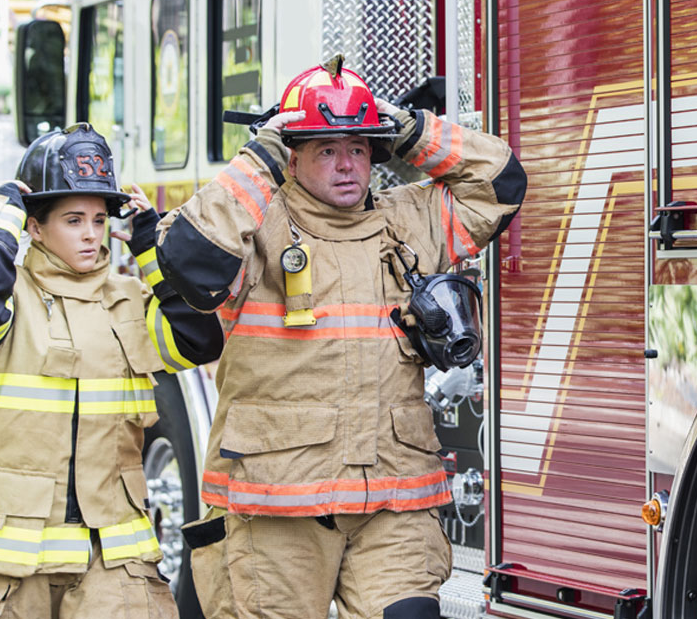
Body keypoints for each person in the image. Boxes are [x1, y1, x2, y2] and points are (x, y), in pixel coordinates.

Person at [162, 56, 527, 619]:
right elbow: (192, 259)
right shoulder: (254, 225)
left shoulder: (411, 220)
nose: (346, 165)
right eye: (325, 150)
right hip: (276, 511)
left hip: (393, 501)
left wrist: (411, 129)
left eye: (358, 148)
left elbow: (500, 183)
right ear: (292, 154)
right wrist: (259, 158)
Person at [0, 123, 223, 618]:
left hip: (110, 556)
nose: (90, 233)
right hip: (9, 557)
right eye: (72, 219)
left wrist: (153, 248)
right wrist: (0, 211)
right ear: (35, 226)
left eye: (97, 218)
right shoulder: (5, 299)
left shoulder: (128, 300)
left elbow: (199, 339)